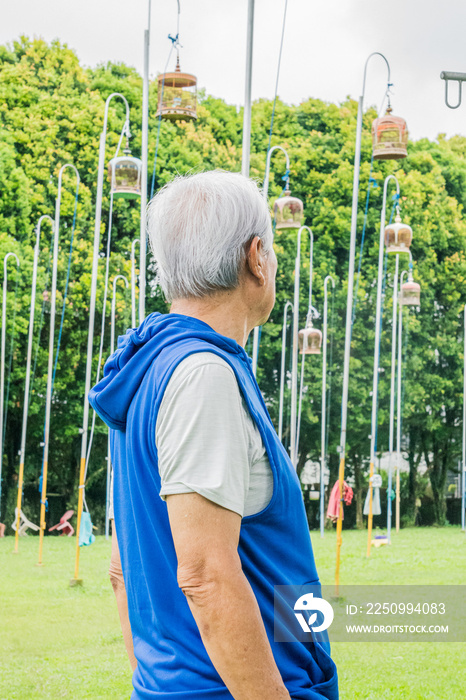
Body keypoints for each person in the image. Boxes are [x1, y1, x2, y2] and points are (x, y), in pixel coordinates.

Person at [90, 170, 338, 699]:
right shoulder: (202, 373)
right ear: (256, 257)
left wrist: (162, 681)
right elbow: (205, 576)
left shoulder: (151, 367)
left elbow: (122, 570)